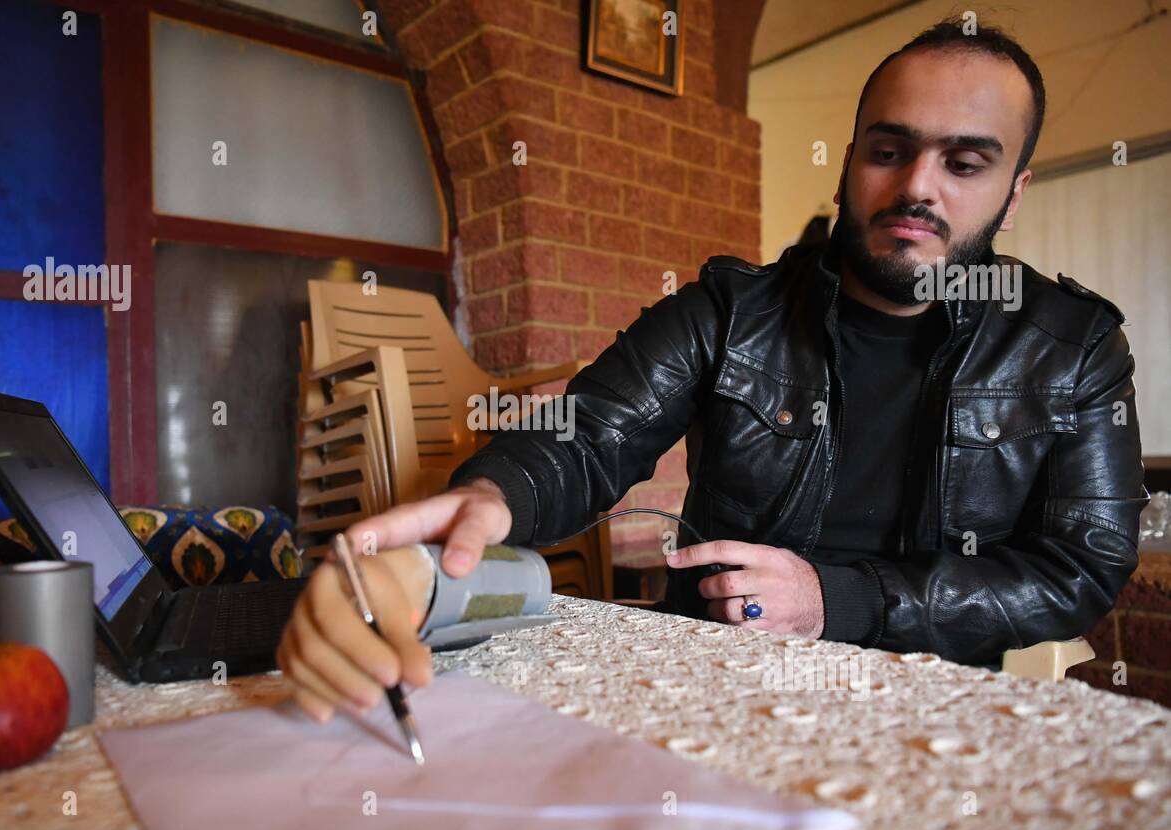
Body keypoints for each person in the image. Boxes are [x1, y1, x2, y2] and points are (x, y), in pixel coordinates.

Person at [276, 19, 1147, 722]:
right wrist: (489, 499)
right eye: (888, 150)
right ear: (848, 160)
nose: (918, 186)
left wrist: (837, 600)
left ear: (1015, 188)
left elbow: (1083, 566)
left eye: (964, 163)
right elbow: (582, 438)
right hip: (712, 687)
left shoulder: (1072, 346)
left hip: (936, 702)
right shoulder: (730, 314)